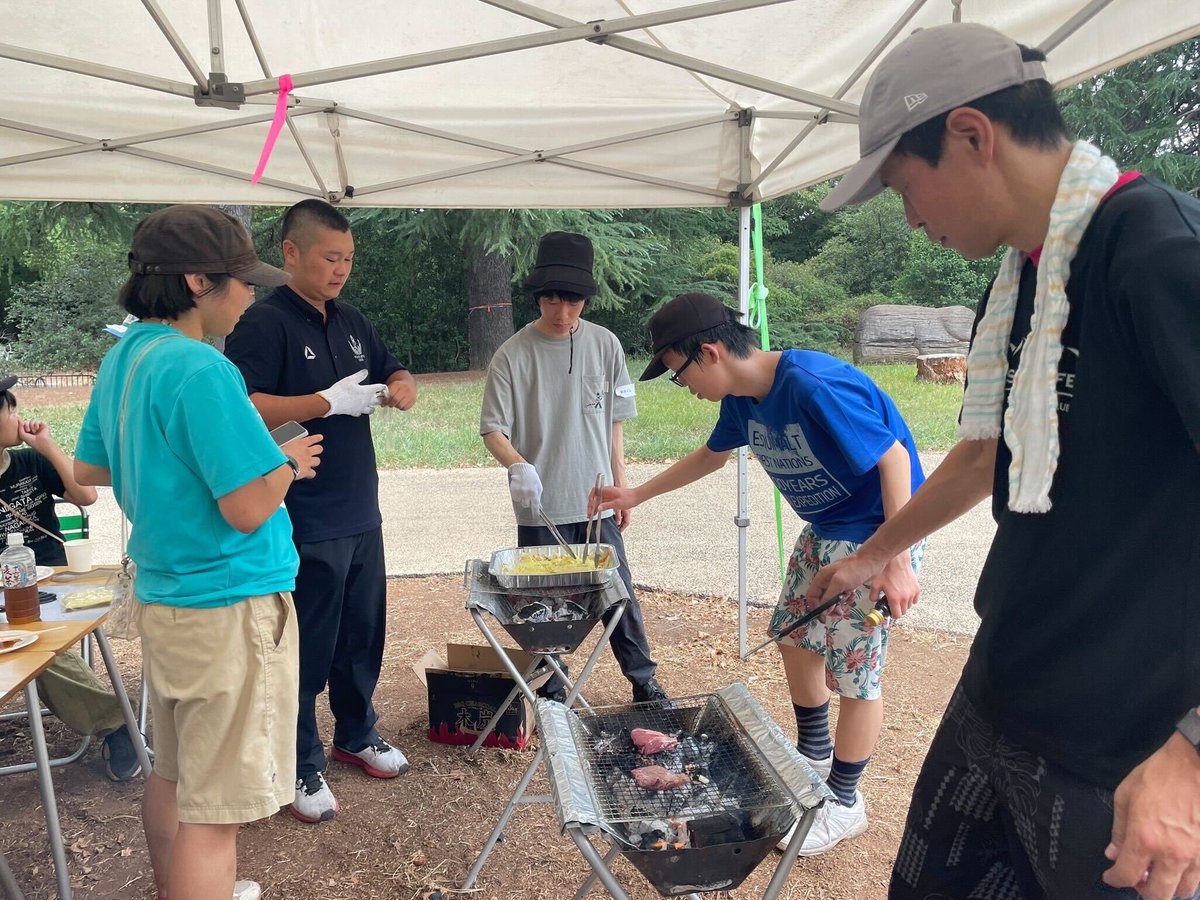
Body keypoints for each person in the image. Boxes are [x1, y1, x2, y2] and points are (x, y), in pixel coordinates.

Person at [805, 22, 1200, 900]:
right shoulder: (1023, 277)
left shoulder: (1158, 250)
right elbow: (983, 454)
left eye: (908, 189)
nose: (911, 218)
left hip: (1125, 744)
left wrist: (1191, 751)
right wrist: (872, 556)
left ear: (972, 136)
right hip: (1005, 687)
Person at [592, 291, 925, 855]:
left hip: (880, 530)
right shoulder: (744, 400)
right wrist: (638, 493)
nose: (686, 389)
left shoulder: (812, 384)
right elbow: (711, 455)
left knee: (855, 673)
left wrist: (892, 559)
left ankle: (844, 803)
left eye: (679, 375)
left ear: (710, 352)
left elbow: (894, 459)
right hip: (824, 530)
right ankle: (814, 756)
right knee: (793, 638)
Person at [74, 205, 322, 900]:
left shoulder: (126, 355)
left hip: (169, 599)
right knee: (216, 818)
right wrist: (286, 460)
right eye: (239, 281)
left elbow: (94, 467)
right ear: (194, 280)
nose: (250, 294)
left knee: (176, 776)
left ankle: (173, 888)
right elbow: (246, 508)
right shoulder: (202, 369)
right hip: (229, 608)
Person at [224, 199, 417, 825]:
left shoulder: (352, 319)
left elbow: (390, 367)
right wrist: (321, 403)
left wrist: (403, 384)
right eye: (330, 258)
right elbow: (242, 404)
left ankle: (356, 733)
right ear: (291, 254)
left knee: (363, 632)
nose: (341, 270)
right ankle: (300, 757)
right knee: (306, 641)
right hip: (302, 509)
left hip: (362, 505)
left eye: (349, 259)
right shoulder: (264, 323)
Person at [480, 231, 665, 704]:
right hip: (540, 506)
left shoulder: (606, 346)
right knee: (546, 609)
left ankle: (644, 682)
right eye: (553, 300)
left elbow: (616, 422)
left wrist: (621, 485)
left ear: (586, 298)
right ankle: (555, 688)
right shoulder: (512, 355)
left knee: (617, 598)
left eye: (574, 301)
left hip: (595, 500)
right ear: (539, 296)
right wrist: (519, 466)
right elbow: (493, 431)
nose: (563, 313)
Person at [0, 375, 139, 782]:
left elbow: (86, 496)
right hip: (7, 596)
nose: (17, 415)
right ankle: (117, 722)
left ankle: (116, 723)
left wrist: (46, 445)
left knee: (37, 645)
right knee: (27, 642)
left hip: (56, 581)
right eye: (11, 409)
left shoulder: (29, 461)